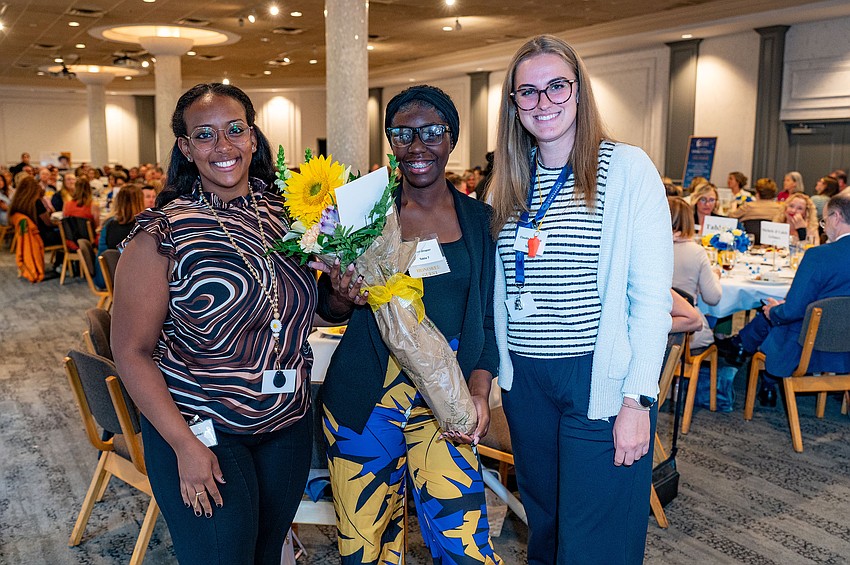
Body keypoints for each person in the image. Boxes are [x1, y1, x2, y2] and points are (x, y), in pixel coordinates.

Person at [111, 83, 315, 565]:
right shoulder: (161, 233)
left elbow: (298, 309)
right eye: (205, 135)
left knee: (267, 555)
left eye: (234, 131)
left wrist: (343, 297)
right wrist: (183, 444)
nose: (223, 147)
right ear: (185, 147)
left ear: (253, 136)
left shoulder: (286, 214)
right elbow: (131, 352)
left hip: (286, 423)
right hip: (201, 427)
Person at [488, 35, 672, 564]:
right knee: (545, 526)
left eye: (556, 87)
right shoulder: (507, 184)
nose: (543, 102)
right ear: (514, 104)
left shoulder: (628, 170)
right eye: (528, 92)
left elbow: (650, 301)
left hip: (601, 378)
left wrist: (639, 400)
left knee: (596, 538)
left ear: (579, 91)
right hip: (527, 382)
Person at [313, 85, 503, 565]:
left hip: (449, 398)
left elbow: (486, 319)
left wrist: (479, 391)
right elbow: (326, 309)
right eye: (403, 134)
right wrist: (339, 293)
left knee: (464, 544)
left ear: (452, 138)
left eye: (432, 132)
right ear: (391, 141)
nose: (418, 146)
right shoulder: (361, 211)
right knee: (366, 546)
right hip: (364, 399)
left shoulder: (481, 221)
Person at [727, 194, 850, 406]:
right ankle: (743, 349)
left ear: (837, 217)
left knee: (773, 314)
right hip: (844, 347)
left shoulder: (818, 256)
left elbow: (791, 311)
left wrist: (773, 311)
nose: (824, 226)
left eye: (825, 220)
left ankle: (742, 349)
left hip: (807, 347)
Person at [669, 197, 722, 350]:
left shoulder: (648, 248)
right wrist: (715, 276)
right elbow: (713, 298)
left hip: (653, 328)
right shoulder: (696, 251)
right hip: (687, 334)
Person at [92, 184, 144, 289]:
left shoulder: (108, 224)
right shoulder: (141, 228)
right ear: (139, 202)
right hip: (127, 282)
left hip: (104, 275)